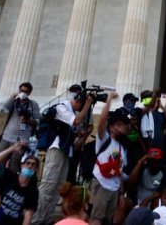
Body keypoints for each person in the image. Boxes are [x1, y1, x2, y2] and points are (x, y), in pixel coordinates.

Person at [31, 87, 95, 225]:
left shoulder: (70, 111)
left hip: (66, 150)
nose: (81, 107)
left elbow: (75, 128)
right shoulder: (61, 107)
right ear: (77, 101)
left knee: (59, 186)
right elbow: (76, 121)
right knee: (48, 185)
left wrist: (80, 136)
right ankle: (36, 219)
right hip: (56, 149)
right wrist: (88, 104)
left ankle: (46, 218)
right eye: (82, 104)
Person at [88, 92, 128, 225]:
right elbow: (102, 120)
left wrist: (122, 193)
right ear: (112, 127)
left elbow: (119, 171)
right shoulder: (104, 139)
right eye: (121, 125)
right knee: (97, 218)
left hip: (114, 187)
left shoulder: (122, 148)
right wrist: (109, 100)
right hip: (101, 183)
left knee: (107, 220)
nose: (125, 127)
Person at [0, 142, 40, 225]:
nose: (30, 166)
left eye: (33, 164)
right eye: (28, 163)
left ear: (36, 170)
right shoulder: (9, 177)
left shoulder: (33, 191)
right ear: (22, 166)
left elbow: (28, 215)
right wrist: (11, 149)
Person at [0, 82, 41, 173]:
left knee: (14, 165)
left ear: (29, 93)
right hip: (7, 137)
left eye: (26, 91)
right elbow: (3, 109)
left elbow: (38, 121)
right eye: (21, 90)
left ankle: (10, 186)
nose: (23, 92)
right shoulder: (13, 102)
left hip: (22, 139)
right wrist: (13, 96)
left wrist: (28, 120)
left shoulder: (33, 104)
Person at [67, 84, 94, 185]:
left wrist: (83, 139)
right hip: (66, 142)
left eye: (77, 92)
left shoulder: (86, 109)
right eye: (73, 91)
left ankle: (72, 184)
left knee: (74, 166)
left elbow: (90, 126)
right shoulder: (65, 106)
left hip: (78, 143)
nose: (76, 94)